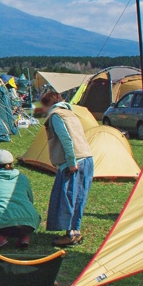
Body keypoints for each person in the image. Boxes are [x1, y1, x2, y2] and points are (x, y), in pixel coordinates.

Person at [39, 92, 95, 247]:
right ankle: (75, 231)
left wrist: (71, 161)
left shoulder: (56, 116)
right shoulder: (70, 113)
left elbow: (66, 139)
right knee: (78, 198)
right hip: (86, 158)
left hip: (75, 161)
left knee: (68, 198)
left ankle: (70, 234)